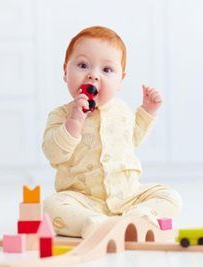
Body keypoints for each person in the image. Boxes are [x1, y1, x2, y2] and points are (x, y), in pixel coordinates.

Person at [42, 26, 182, 238]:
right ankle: (94, 224)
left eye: (106, 70)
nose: (93, 75)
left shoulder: (122, 110)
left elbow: (132, 139)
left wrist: (148, 111)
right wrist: (74, 122)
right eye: (82, 65)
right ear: (65, 71)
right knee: (51, 206)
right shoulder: (61, 115)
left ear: (120, 81)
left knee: (170, 196)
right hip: (83, 200)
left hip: (129, 195)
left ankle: (138, 216)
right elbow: (54, 154)